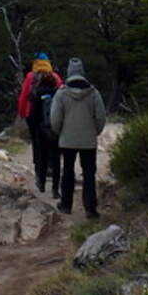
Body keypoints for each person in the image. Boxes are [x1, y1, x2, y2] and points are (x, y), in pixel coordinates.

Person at [49, 56, 107, 218]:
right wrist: (94, 131)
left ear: (69, 73)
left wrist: (60, 132)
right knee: (89, 173)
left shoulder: (61, 93)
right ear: (82, 73)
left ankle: (66, 204)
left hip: (67, 139)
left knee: (67, 171)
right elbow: (101, 117)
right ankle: (90, 208)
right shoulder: (93, 93)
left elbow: (55, 118)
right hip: (88, 140)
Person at [16, 53, 64, 193]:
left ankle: (39, 173)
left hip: (34, 115)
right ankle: (52, 172)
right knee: (54, 146)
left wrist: (22, 113)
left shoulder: (31, 76)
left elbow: (24, 96)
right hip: (53, 117)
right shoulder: (55, 77)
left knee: (38, 145)